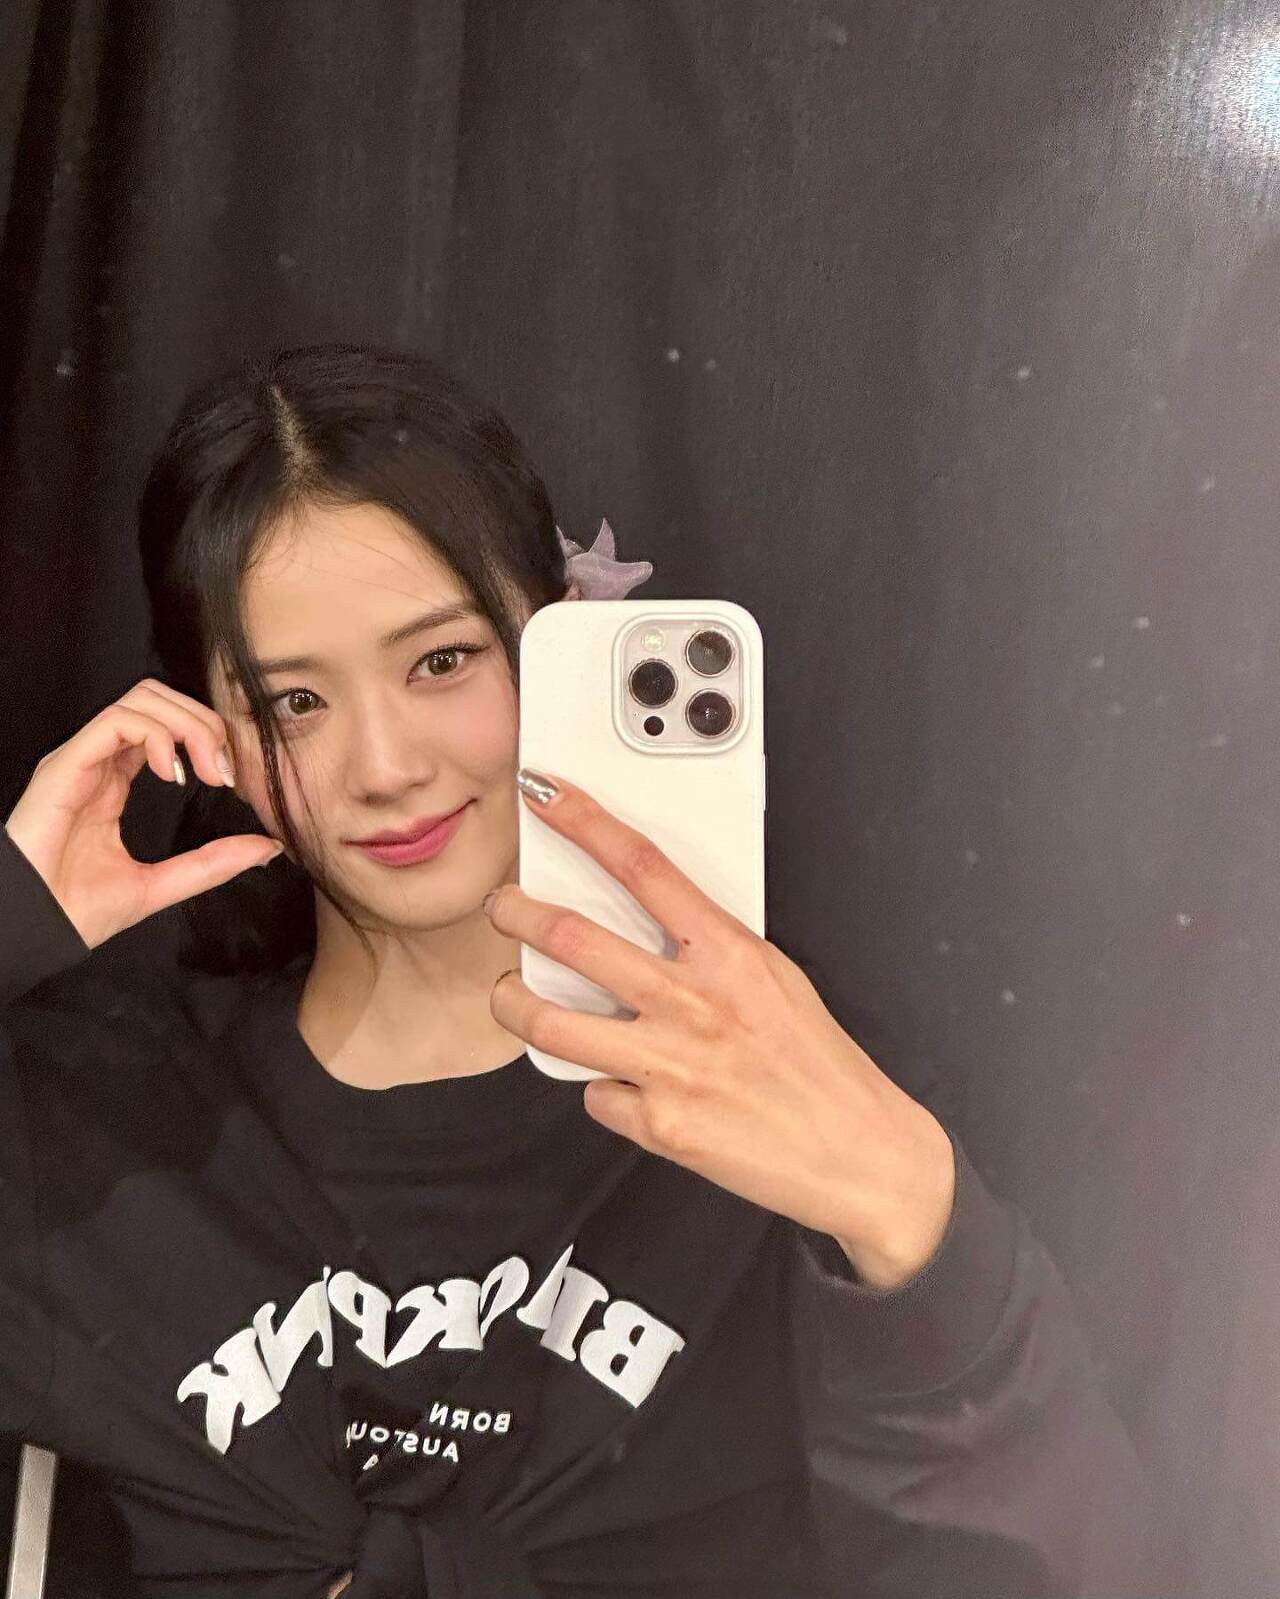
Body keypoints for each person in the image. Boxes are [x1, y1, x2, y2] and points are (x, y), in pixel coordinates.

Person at [0, 342, 1156, 1598]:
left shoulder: (776, 1083)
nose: (384, 767)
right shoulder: (101, 1110)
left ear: (559, 637)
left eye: (441, 661)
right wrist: (13, 912)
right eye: (292, 703)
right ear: (204, 725)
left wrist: (908, 1215)